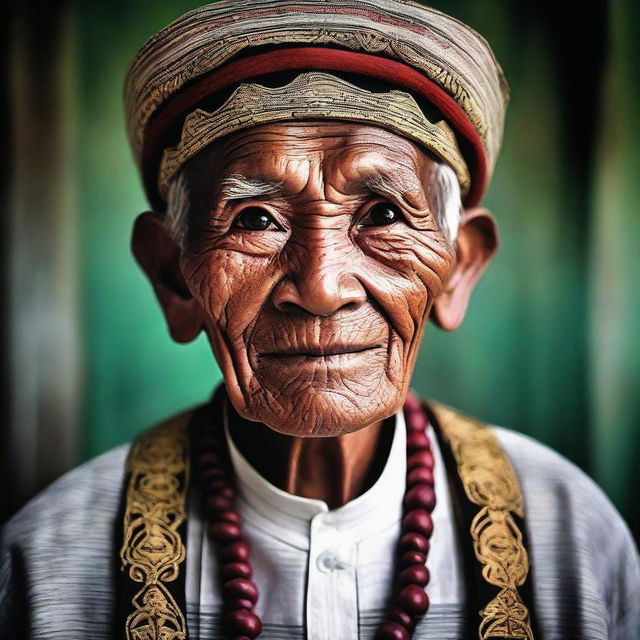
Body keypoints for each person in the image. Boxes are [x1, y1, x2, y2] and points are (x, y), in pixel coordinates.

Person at [1, 1, 639, 639]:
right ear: (174, 275)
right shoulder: (47, 564)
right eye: (255, 220)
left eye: (384, 215)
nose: (322, 287)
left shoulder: (572, 537)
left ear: (458, 269)